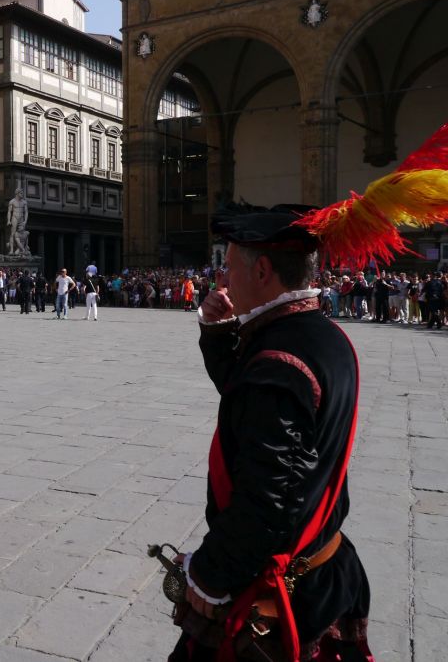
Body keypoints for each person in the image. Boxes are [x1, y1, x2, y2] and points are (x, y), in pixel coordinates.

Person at [169, 205, 371, 662]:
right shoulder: (320, 335)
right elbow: (249, 404)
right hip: (323, 560)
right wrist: (218, 333)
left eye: (229, 265)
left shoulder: (279, 360)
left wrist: (210, 574)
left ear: (261, 270)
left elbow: (270, 498)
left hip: (276, 589)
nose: (222, 277)